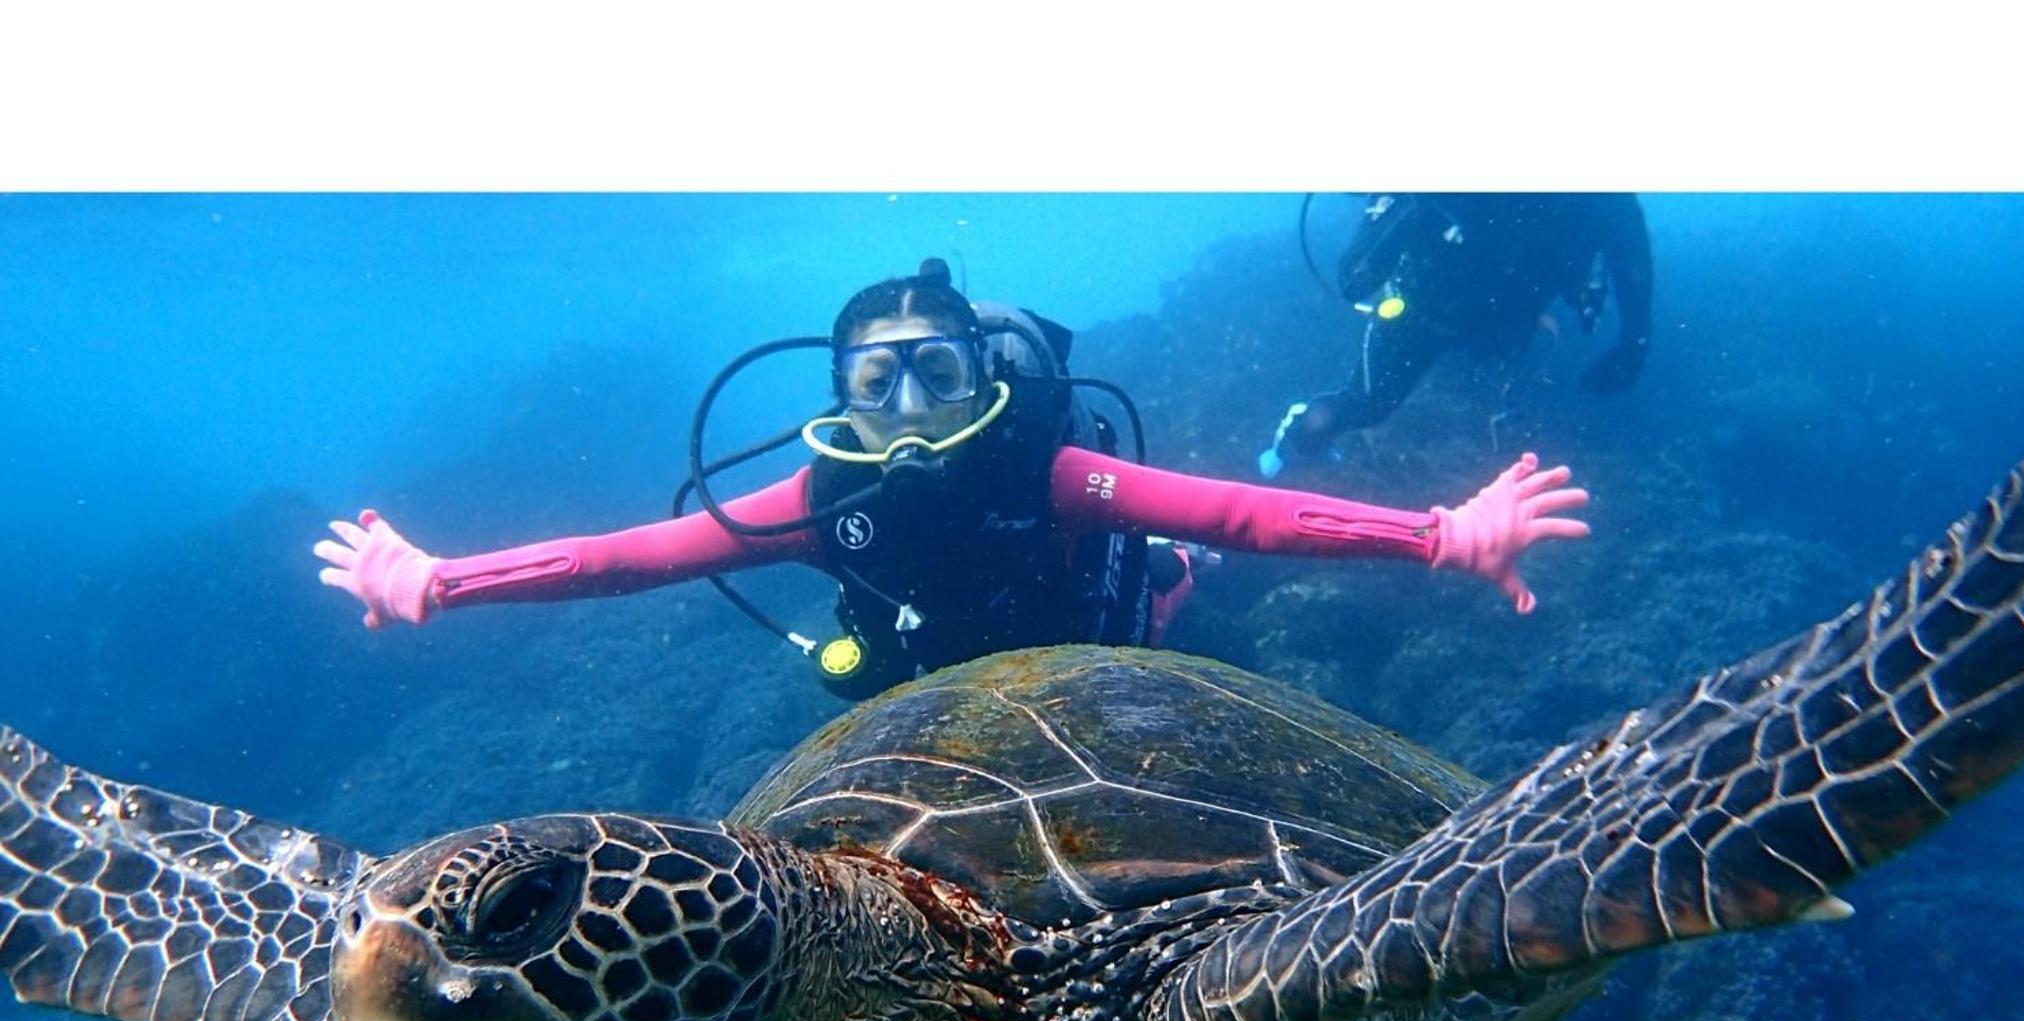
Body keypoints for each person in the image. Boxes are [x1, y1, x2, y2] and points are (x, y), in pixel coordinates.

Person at [320, 259, 1592, 699]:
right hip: (928, 676)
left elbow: (1242, 510)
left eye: (934, 372)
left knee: (1173, 578)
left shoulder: (1052, 473)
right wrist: (443, 581)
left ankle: (1171, 587)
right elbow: (621, 561)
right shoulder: (816, 506)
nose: (909, 409)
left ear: (982, 374)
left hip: (1093, 631)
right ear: (836, 398)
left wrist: (1438, 537)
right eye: (875, 383)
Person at [1260, 194, 1653, 478]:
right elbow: (1353, 281)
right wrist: (1404, 206)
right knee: (1363, 407)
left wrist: (1634, 343)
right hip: (1430, 317)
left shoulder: (1598, 199)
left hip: (1498, 324)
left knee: (1523, 422)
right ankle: (1295, 438)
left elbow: (1627, 247)